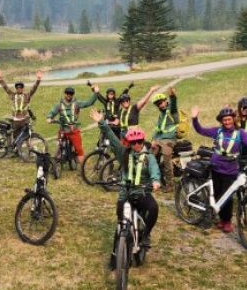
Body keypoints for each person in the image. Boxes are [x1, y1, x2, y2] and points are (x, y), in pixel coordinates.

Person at [90, 109, 160, 266]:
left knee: (154, 208)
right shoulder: (124, 153)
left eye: (139, 142)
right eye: (133, 143)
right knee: (120, 224)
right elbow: (112, 138)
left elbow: (155, 169)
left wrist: (155, 181)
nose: (136, 145)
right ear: (128, 143)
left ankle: (145, 235)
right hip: (125, 193)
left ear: (143, 141)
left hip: (142, 192)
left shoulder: (149, 157)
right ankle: (115, 256)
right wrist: (101, 122)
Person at [190, 105, 247, 232]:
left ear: (233, 119)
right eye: (224, 120)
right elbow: (200, 130)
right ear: (221, 121)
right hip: (216, 166)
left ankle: (227, 221)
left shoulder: (241, 133)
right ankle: (221, 219)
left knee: (227, 197)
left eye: (229, 119)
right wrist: (195, 119)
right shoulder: (217, 131)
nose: (227, 122)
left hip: (230, 169)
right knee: (217, 194)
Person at [47, 85, 99, 165]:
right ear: (65, 94)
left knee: (79, 149)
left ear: (73, 95)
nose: (69, 95)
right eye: (67, 93)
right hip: (63, 129)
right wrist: (49, 118)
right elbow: (52, 112)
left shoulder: (77, 103)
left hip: (73, 130)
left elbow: (89, 102)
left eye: (71, 94)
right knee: (59, 146)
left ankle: (82, 168)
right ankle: (55, 163)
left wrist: (95, 93)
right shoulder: (59, 105)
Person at [149, 87, 180, 191]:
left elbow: (174, 104)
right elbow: (157, 128)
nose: (160, 105)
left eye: (161, 102)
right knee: (151, 156)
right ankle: (154, 179)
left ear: (166, 101)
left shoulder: (172, 110)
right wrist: (153, 139)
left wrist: (172, 96)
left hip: (169, 140)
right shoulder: (161, 115)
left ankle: (170, 185)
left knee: (167, 161)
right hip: (159, 140)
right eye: (158, 104)